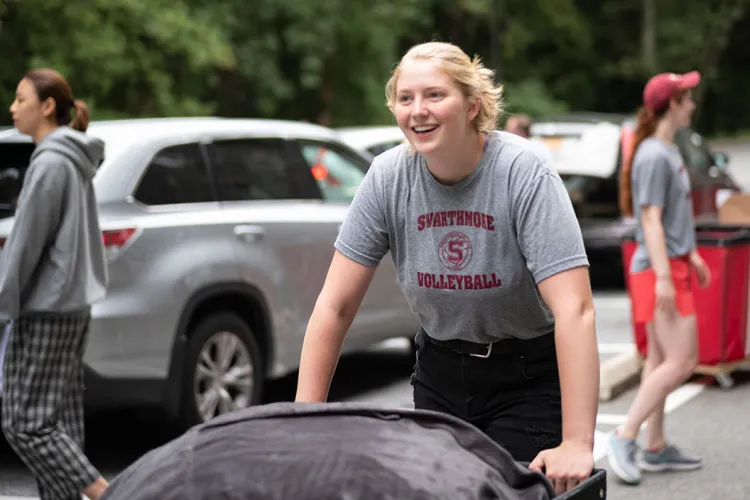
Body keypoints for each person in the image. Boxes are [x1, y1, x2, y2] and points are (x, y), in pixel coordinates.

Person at [295, 41, 600, 495]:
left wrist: (576, 442)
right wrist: (304, 419)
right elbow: (335, 305)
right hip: (440, 373)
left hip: (527, 377)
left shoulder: (522, 172)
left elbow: (575, 309)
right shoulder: (387, 177)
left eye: (435, 95)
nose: (418, 110)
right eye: (405, 98)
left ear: (473, 104)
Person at [0, 69, 110, 500]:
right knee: (61, 422)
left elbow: (24, 248)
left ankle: (110, 494)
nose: (13, 107)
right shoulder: (73, 159)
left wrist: (3, 306)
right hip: (72, 306)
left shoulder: (49, 163)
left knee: (24, 423)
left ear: (47, 106)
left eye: (20, 98)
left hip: (46, 308)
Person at [607, 71, 710, 485]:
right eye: (687, 98)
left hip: (671, 263)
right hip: (658, 270)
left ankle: (655, 445)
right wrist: (666, 275)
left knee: (658, 360)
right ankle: (624, 435)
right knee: (682, 360)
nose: (693, 104)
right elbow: (649, 218)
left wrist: (692, 252)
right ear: (673, 104)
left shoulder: (666, 149)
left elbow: (670, 216)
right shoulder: (653, 154)